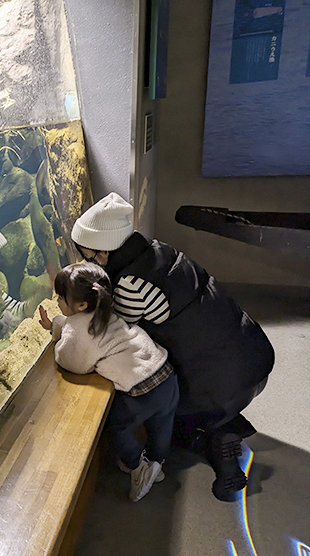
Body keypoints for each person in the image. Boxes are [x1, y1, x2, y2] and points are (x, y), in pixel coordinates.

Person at [70, 192, 274, 501]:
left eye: (89, 255)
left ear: (105, 252)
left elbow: (116, 332)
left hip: (224, 380)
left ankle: (220, 439)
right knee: (206, 396)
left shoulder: (130, 285)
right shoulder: (157, 251)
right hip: (253, 352)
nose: (89, 261)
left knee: (169, 416)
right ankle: (224, 424)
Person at [39, 262, 179, 502]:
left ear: (81, 305)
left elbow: (73, 362)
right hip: (166, 374)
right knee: (161, 424)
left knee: (115, 424)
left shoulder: (77, 326)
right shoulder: (106, 310)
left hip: (141, 390)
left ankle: (139, 466)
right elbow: (77, 327)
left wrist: (57, 340)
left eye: (61, 298)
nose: (58, 302)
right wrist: (57, 325)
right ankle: (156, 462)